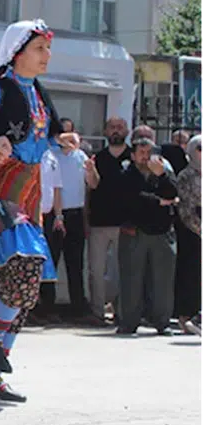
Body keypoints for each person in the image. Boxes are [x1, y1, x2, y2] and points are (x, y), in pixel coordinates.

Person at [0, 19, 68, 403]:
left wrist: (64, 139)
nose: (47, 56)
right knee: (26, 264)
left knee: (24, 283)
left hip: (28, 189)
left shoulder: (39, 94)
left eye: (47, 49)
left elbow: (48, 132)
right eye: (40, 49)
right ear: (17, 52)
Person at [115, 137, 179, 335]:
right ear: (133, 156)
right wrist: (158, 202)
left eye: (149, 153)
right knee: (131, 279)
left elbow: (173, 194)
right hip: (135, 232)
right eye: (141, 153)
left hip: (162, 232)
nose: (145, 157)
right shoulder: (127, 173)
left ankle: (162, 322)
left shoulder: (163, 173)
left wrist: (162, 177)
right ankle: (129, 321)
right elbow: (131, 198)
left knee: (163, 281)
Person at [48, 126, 98, 320]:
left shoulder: (81, 156)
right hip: (54, 212)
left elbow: (93, 184)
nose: (70, 140)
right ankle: (47, 307)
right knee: (51, 261)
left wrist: (92, 171)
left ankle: (78, 307)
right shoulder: (51, 155)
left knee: (75, 263)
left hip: (75, 214)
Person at [87, 117, 131, 323]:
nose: (116, 131)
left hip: (126, 224)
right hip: (99, 222)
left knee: (123, 271)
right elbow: (92, 186)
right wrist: (90, 172)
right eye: (112, 127)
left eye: (120, 127)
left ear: (127, 131)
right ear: (105, 131)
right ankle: (97, 312)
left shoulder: (134, 156)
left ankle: (122, 312)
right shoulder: (98, 158)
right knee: (96, 270)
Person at [174, 135, 202, 335]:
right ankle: (186, 315)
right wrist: (200, 229)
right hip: (192, 231)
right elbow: (185, 208)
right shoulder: (185, 176)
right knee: (190, 274)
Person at [34, 145, 64, 322]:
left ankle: (48, 307)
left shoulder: (52, 157)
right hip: (31, 215)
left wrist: (59, 215)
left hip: (50, 215)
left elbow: (57, 189)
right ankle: (31, 307)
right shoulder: (28, 154)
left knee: (50, 261)